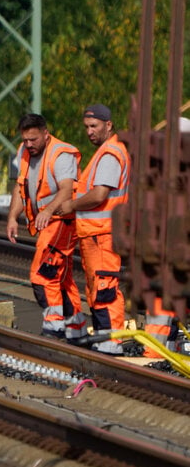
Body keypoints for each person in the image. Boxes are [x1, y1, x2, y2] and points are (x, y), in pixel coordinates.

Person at [56, 104, 130, 355]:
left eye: (94, 126)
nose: (89, 132)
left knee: (104, 286)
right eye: (86, 127)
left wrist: (71, 205)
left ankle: (111, 340)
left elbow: (99, 195)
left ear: (108, 125)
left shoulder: (110, 154)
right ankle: (104, 338)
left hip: (103, 233)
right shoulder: (105, 151)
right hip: (96, 233)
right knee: (97, 287)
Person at [6, 113, 87, 341]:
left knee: (43, 275)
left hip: (62, 221)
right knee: (62, 278)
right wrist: (13, 217)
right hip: (48, 223)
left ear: (45, 133)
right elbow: (20, 188)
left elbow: (66, 189)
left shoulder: (61, 154)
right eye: (25, 140)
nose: (29, 145)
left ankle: (54, 329)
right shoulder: (24, 153)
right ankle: (76, 328)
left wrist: (48, 210)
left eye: (33, 140)